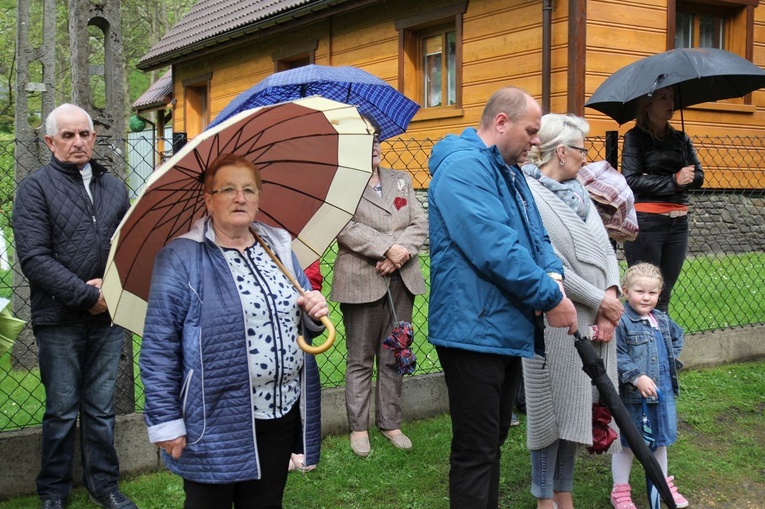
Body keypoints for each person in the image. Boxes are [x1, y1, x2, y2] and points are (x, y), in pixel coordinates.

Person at [139, 153, 327, 509]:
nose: (240, 198)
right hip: (215, 416)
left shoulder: (278, 247)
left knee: (265, 503)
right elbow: (159, 348)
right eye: (227, 189)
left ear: (259, 197)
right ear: (208, 200)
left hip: (280, 410)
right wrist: (166, 421)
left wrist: (313, 314)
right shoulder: (180, 257)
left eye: (248, 189)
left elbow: (302, 322)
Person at [427, 86, 578, 508]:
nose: (536, 140)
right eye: (531, 131)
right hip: (472, 328)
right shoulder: (462, 169)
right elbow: (495, 249)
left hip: (502, 326)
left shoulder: (509, 170)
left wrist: (554, 274)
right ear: (500, 122)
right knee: (476, 450)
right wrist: (551, 297)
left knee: (492, 440)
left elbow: (536, 237)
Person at [12, 104, 136, 509]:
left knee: (101, 409)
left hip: (108, 318)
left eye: (84, 133)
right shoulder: (34, 189)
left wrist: (111, 291)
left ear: (94, 137)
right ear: (50, 142)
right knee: (62, 411)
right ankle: (53, 492)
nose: (78, 142)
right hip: (59, 319)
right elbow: (34, 259)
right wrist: (88, 296)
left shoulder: (114, 187)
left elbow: (129, 248)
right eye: (67, 136)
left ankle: (105, 485)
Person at [521, 113, 623, 509]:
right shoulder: (530, 194)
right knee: (552, 411)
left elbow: (606, 250)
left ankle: (565, 492)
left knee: (580, 409)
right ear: (561, 151)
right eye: (581, 148)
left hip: (595, 317)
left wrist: (610, 294)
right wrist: (601, 301)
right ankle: (544, 496)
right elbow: (551, 262)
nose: (586, 157)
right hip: (557, 316)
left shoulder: (579, 192)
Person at [329, 121, 427, 457]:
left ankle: (390, 422)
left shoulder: (400, 178)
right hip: (361, 278)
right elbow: (344, 227)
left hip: (402, 278)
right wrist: (387, 249)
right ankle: (359, 429)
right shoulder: (341, 185)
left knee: (394, 352)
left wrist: (398, 256)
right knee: (359, 358)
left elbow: (420, 223)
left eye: (377, 139)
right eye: (365, 140)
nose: (374, 145)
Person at [610, 262, 688, 509]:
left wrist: (670, 359)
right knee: (629, 443)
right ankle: (620, 491)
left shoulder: (662, 320)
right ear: (625, 291)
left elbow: (678, 336)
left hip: (661, 395)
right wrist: (637, 376)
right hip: (633, 397)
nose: (646, 297)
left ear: (659, 294)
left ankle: (661, 484)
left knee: (660, 441)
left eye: (652, 293)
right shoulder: (622, 321)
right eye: (640, 291)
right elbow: (617, 354)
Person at [621, 86, 704, 314]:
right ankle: (635, 344)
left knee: (662, 296)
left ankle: (661, 347)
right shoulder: (635, 137)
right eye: (663, 98)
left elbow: (699, 176)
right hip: (647, 223)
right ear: (648, 106)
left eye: (672, 97)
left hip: (678, 224)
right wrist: (674, 181)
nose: (671, 103)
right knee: (641, 294)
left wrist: (684, 178)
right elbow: (631, 179)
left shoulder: (681, 138)